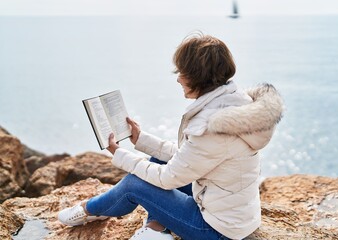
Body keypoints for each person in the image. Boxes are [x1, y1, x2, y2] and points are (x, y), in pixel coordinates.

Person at [58, 32, 284, 240]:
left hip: (217, 231)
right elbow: (189, 158)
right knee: (157, 162)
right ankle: (157, 226)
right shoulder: (235, 105)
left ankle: (91, 209)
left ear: (197, 76)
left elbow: (169, 178)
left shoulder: (213, 127)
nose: (178, 79)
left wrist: (120, 154)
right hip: (233, 212)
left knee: (135, 184)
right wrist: (141, 140)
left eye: (181, 72)